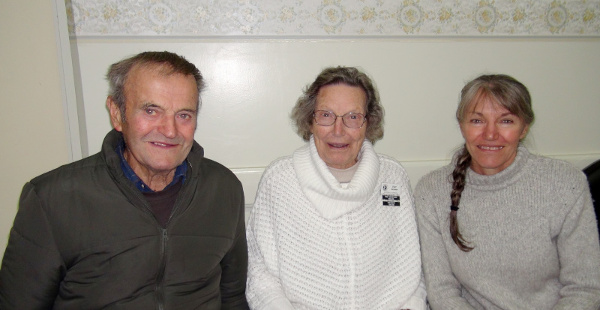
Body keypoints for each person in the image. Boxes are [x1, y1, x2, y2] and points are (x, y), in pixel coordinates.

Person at [0, 51, 249, 309]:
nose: (170, 130)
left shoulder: (223, 189)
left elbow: (233, 298)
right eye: (151, 111)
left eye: (184, 115)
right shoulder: (52, 199)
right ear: (117, 113)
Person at [246, 66, 426, 309]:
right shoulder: (280, 180)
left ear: (367, 123)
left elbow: (413, 272)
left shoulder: (393, 178)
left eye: (352, 117)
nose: (338, 131)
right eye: (326, 115)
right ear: (310, 120)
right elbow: (260, 275)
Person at [414, 74, 600, 309]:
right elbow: (441, 292)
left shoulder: (565, 184)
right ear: (462, 126)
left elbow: (584, 288)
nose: (490, 134)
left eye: (506, 121)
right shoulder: (431, 191)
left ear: (524, 128)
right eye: (477, 120)